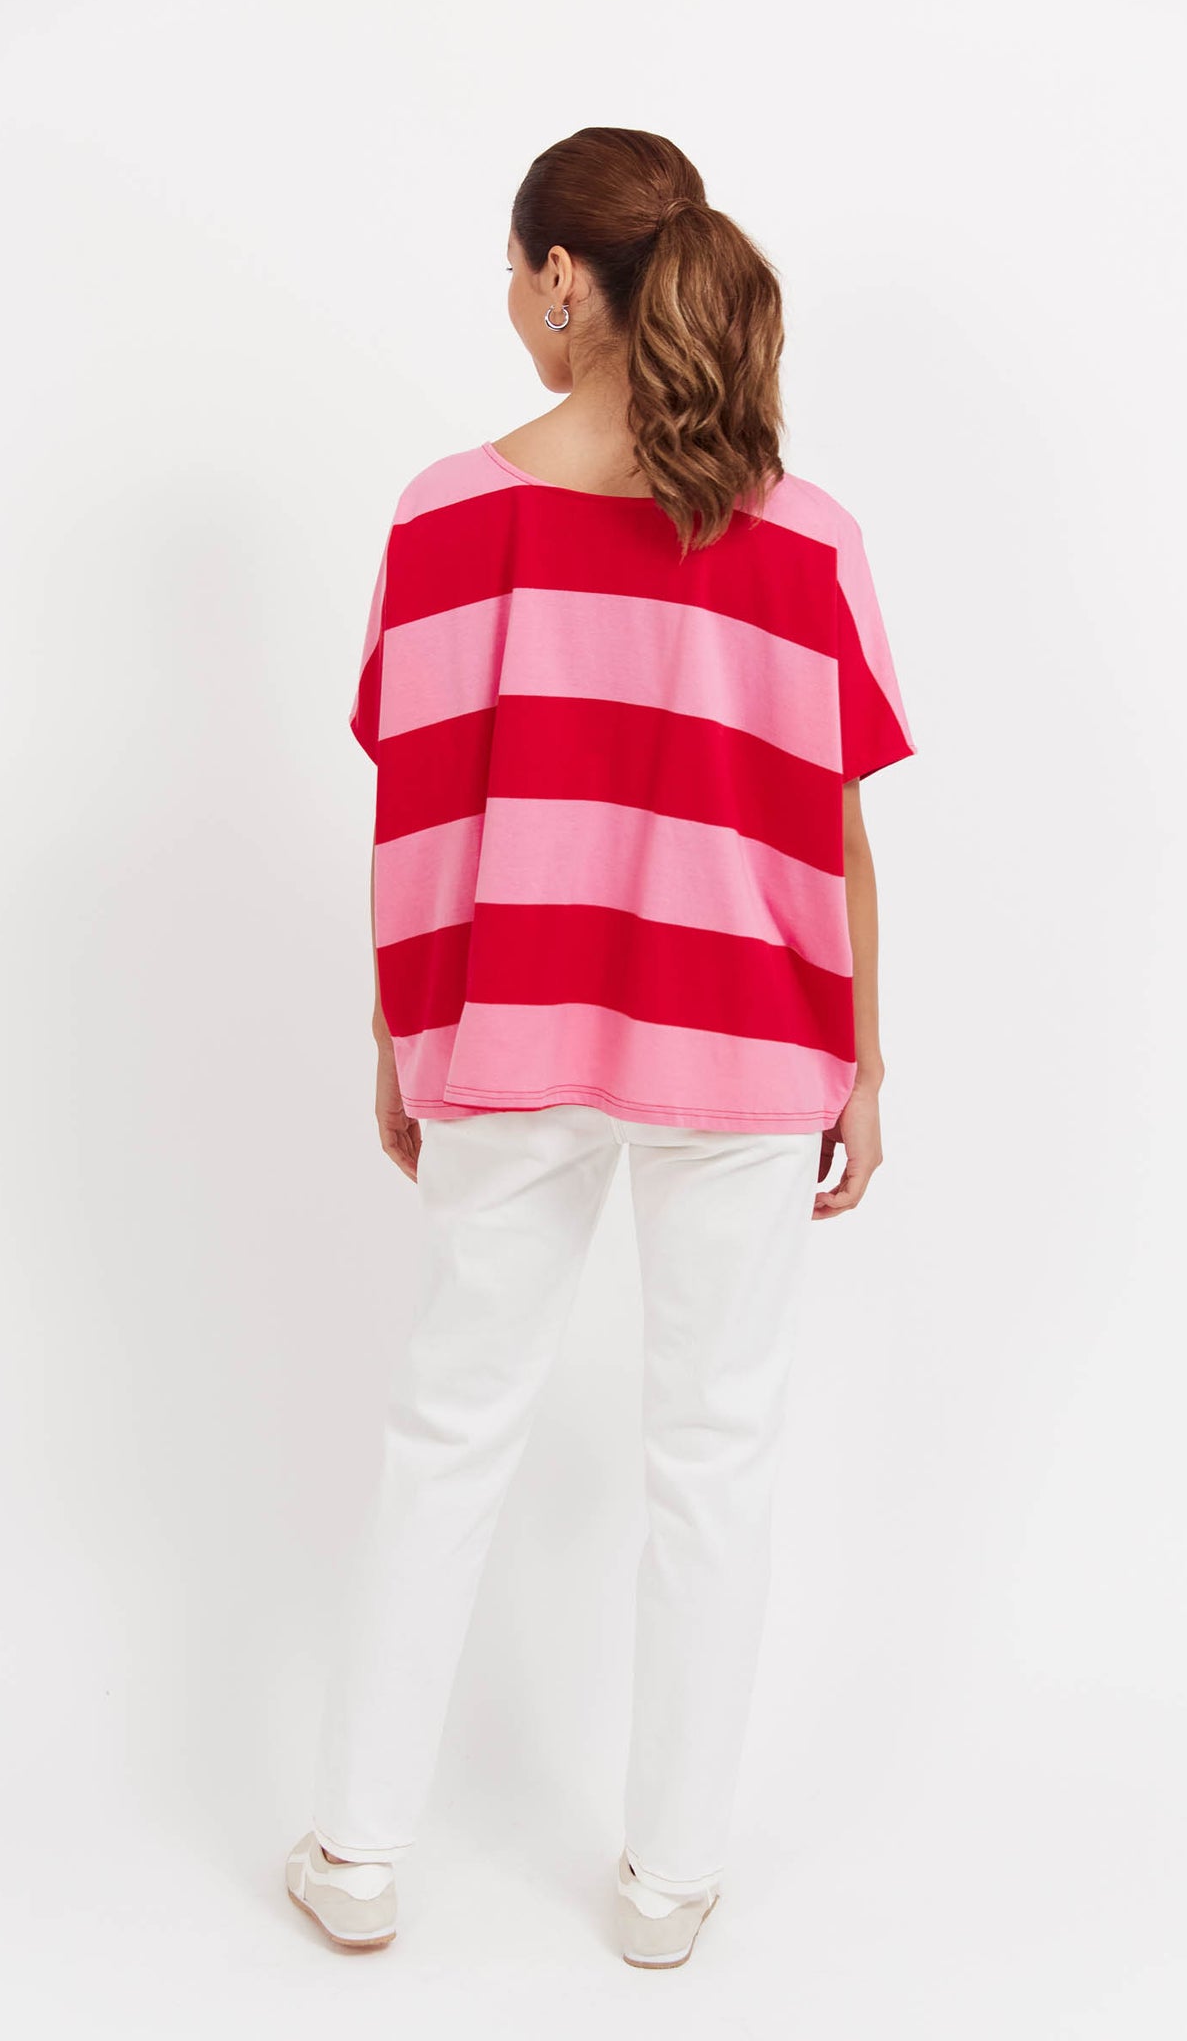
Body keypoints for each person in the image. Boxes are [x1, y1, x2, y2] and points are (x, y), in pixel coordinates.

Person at [284, 125, 917, 1971]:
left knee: (448, 1429)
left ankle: (358, 1852)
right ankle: (669, 1883)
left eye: (514, 269)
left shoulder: (442, 516)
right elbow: (834, 828)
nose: (509, 298)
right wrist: (863, 1059)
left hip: (508, 1021)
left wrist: (401, 1036)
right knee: (714, 1454)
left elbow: (418, 816)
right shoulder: (806, 539)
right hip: (751, 1036)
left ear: (564, 276)